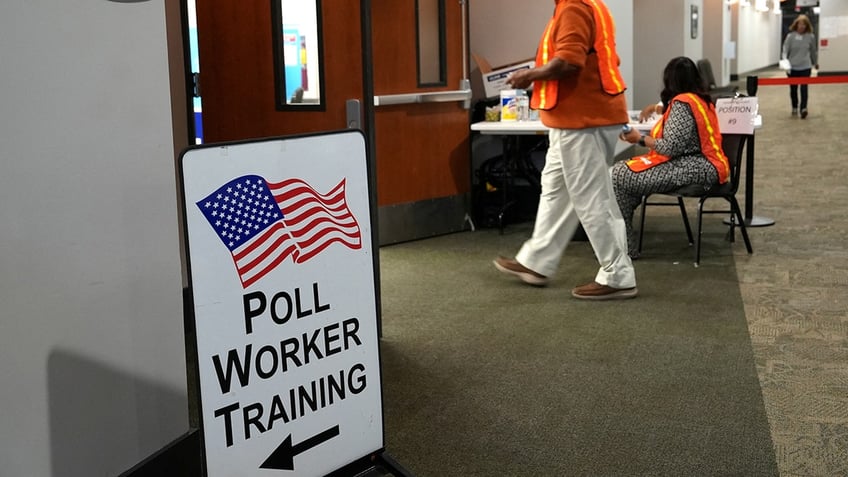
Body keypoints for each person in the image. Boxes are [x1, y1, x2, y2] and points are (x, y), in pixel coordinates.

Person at [492, 0, 637, 301]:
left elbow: (569, 62)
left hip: (582, 120)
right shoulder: (588, 4)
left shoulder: (574, 7)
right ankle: (536, 262)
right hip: (575, 119)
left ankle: (617, 274)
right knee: (556, 190)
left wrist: (528, 76)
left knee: (591, 198)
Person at [612, 56, 730, 259]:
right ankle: (621, 246)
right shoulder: (700, 100)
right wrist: (657, 108)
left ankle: (624, 248)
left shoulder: (682, 103)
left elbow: (671, 147)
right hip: (708, 166)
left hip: (695, 168)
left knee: (618, 175)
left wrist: (639, 139)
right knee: (623, 180)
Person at [782, 14, 818, 119]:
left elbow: (813, 51)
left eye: (804, 25)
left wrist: (815, 62)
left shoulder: (810, 37)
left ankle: (803, 108)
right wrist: (785, 62)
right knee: (793, 89)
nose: (802, 26)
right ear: (796, 25)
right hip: (792, 67)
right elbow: (785, 50)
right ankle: (794, 106)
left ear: (807, 26)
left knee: (804, 88)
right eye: (800, 24)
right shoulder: (790, 36)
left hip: (805, 66)